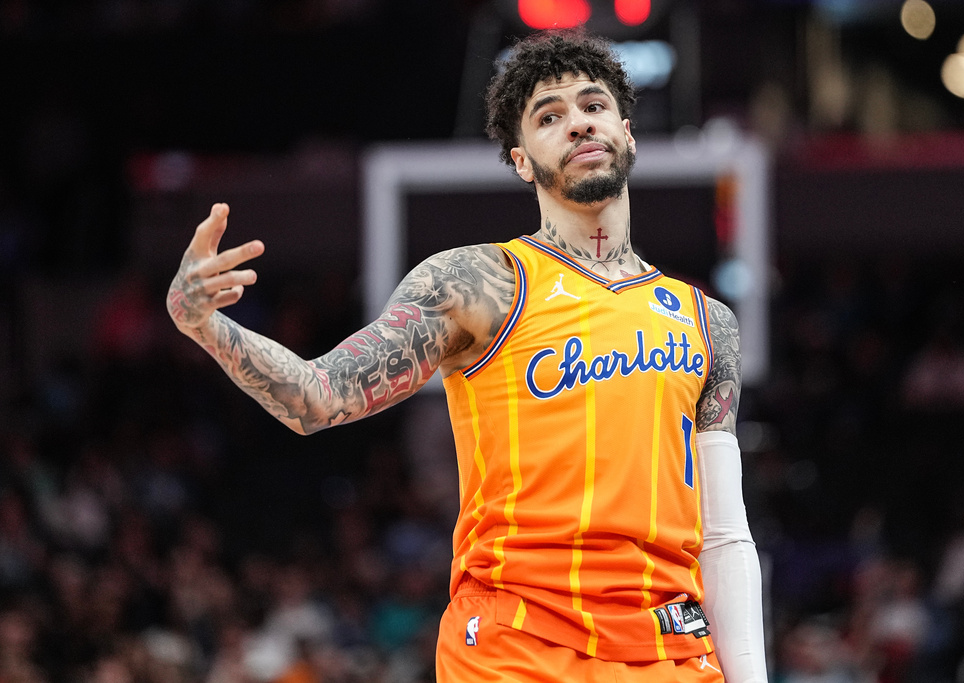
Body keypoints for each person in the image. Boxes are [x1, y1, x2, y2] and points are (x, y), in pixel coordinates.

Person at [166, 29, 768, 683]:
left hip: (670, 656)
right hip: (518, 648)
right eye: (549, 116)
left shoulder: (710, 324)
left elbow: (725, 535)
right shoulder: (477, 284)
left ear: (626, 132)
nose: (577, 124)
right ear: (520, 159)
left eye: (592, 107)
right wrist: (203, 324)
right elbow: (317, 396)